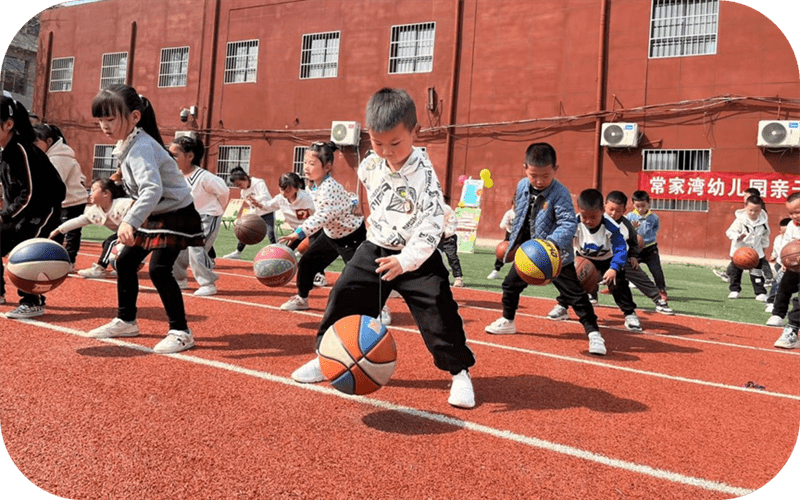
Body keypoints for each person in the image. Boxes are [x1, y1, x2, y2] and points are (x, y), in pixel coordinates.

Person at [290, 88, 476, 408]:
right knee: (343, 296)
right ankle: (327, 357)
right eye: (377, 143)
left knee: (439, 313)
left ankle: (459, 372)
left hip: (417, 256)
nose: (386, 151)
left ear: (415, 133)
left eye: (395, 143)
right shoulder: (370, 165)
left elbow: (432, 225)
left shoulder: (425, 176)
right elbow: (368, 188)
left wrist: (405, 261)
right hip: (374, 248)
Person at [85, 84, 205, 354]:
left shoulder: (141, 146)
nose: (104, 125)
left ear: (135, 117)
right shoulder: (128, 143)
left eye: (110, 119)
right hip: (155, 211)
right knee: (125, 262)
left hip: (175, 214)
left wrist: (130, 221)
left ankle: (181, 331)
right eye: (100, 120)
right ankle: (126, 320)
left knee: (159, 270)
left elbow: (153, 189)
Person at [485, 143, 607, 356]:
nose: (539, 181)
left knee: (576, 295)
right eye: (534, 175)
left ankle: (594, 334)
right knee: (510, 285)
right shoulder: (522, 186)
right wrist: (514, 246)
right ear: (525, 168)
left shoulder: (560, 193)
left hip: (555, 255)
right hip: (530, 255)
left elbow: (568, 223)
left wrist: (549, 244)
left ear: (555, 170)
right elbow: (521, 218)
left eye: (545, 176)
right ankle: (508, 320)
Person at [277, 141, 370, 316]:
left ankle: (381, 308)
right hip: (331, 234)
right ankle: (302, 298)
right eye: (305, 163)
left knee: (361, 274)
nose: (306, 167)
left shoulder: (329, 188)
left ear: (327, 167)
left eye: (312, 164)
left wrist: (298, 234)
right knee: (307, 263)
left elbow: (321, 217)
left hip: (351, 236)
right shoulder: (314, 185)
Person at [0, 92, 66, 317]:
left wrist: (5, 215)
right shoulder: (6, 152)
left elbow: (29, 194)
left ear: (8, 124)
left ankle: (33, 301)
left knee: (26, 249)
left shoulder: (21, 150)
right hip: (22, 210)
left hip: (42, 210)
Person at [169, 135, 229, 297]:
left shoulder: (205, 177)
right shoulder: (175, 177)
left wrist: (216, 211)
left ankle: (207, 283)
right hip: (184, 219)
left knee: (196, 247)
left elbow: (223, 192)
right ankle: (179, 279)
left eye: (174, 155)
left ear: (190, 156)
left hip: (206, 217)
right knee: (175, 249)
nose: (170, 158)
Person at [604, 190, 674, 315]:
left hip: (620, 256)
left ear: (624, 210)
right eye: (611, 209)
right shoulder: (596, 219)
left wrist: (633, 256)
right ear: (604, 206)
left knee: (637, 272)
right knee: (582, 270)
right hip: (596, 256)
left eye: (618, 211)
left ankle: (658, 300)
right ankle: (569, 301)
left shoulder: (626, 225)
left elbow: (633, 242)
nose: (614, 213)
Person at [51, 178, 133, 279]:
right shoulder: (95, 211)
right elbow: (78, 221)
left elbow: (141, 207)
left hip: (140, 232)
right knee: (108, 245)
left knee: (110, 242)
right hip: (128, 237)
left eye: (94, 190)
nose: (90, 193)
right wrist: (58, 230)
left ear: (106, 193)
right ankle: (125, 267)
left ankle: (100, 269)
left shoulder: (124, 204)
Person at [33, 123, 87, 268]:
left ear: (49, 141)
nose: (34, 146)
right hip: (63, 201)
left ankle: (69, 261)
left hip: (73, 200)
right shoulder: (51, 155)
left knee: (71, 232)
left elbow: (55, 182)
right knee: (57, 231)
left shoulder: (59, 157)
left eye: (36, 142)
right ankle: (56, 259)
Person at [713, 188, 766, 283]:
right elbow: (730, 232)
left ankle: (766, 280)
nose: (743, 198)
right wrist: (738, 237)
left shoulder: (762, 217)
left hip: (755, 249)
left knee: (758, 261)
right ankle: (733, 284)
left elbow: (765, 233)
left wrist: (764, 245)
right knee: (738, 262)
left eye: (746, 196)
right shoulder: (741, 218)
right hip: (741, 248)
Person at [222, 167, 276, 259]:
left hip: (267, 211)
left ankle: (277, 252)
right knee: (245, 231)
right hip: (255, 213)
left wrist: (256, 200)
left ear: (245, 178)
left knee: (271, 233)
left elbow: (265, 196)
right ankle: (238, 252)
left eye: (240, 184)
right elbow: (250, 204)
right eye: (237, 186)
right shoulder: (243, 192)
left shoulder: (258, 182)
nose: (240, 187)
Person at [724, 194, 770, 300]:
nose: (753, 213)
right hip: (739, 253)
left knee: (757, 274)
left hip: (755, 253)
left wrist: (764, 248)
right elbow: (729, 232)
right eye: (751, 210)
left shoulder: (763, 222)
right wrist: (738, 237)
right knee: (735, 273)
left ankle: (760, 292)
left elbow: (765, 236)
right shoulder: (740, 220)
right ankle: (734, 290)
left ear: (761, 209)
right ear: (745, 207)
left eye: (756, 211)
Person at [625, 190, 668, 302]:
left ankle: (661, 290)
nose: (640, 208)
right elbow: (626, 230)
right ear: (633, 204)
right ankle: (614, 287)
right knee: (625, 268)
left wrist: (646, 240)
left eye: (643, 206)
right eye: (637, 206)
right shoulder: (629, 217)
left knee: (656, 270)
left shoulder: (654, 218)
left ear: (648, 203)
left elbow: (655, 229)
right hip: (635, 250)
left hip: (650, 249)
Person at [767, 194, 800, 333]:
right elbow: (786, 246)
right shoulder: (792, 226)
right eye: (790, 213)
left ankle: (793, 325)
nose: (793, 216)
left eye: (797, 212)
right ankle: (778, 314)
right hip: (795, 266)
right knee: (783, 287)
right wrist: (785, 261)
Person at [259, 172, 315, 252]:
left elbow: (318, 216)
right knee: (286, 252)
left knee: (310, 254)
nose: (284, 193)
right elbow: (269, 206)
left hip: (313, 229)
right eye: (282, 190)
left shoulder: (307, 199)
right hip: (298, 230)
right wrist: (259, 204)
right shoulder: (280, 198)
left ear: (296, 189)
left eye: (288, 191)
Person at [765, 217, 792, 321]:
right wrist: (773, 255)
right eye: (783, 232)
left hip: (792, 265)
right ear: (780, 230)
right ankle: (771, 302)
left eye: (787, 232)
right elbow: (776, 249)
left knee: (786, 285)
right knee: (777, 283)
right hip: (780, 264)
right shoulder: (777, 239)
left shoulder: (794, 240)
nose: (784, 234)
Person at [487, 195, 515, 279]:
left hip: (522, 235)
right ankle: (496, 270)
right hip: (510, 234)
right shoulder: (509, 213)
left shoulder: (525, 212)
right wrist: (506, 224)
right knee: (503, 251)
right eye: (514, 205)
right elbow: (502, 225)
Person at [439, 204, 464, 287]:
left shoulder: (446, 209)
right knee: (433, 258)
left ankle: (458, 278)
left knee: (452, 257)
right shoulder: (428, 208)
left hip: (448, 238)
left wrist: (446, 234)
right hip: (434, 239)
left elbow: (453, 223)